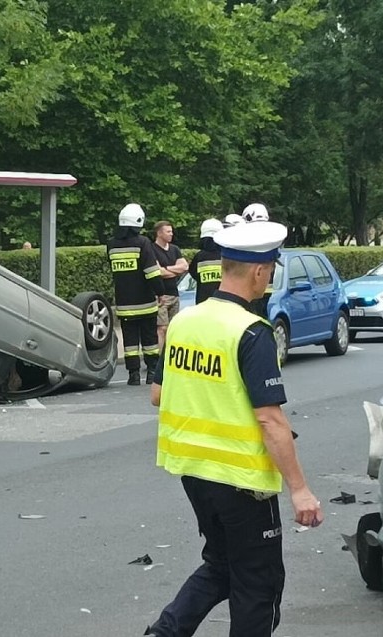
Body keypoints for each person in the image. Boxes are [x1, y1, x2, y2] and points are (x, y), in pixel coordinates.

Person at [146, 220, 323, 637]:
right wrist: (299, 489)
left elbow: (157, 395)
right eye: (272, 269)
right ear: (260, 272)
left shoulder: (185, 322)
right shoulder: (251, 331)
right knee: (258, 584)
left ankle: (164, 633)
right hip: (242, 480)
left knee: (223, 565)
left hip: (193, 470)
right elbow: (269, 418)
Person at [107, 203, 165, 385]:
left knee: (130, 340)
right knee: (150, 339)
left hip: (124, 303)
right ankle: (151, 372)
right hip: (145, 302)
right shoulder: (143, 243)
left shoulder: (112, 244)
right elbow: (152, 272)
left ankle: (133, 375)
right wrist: (160, 292)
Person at [153, 220, 188, 348]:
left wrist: (167, 268)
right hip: (161, 296)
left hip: (175, 294)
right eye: (168, 231)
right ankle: (160, 360)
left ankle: (170, 357)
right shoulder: (152, 249)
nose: (171, 234)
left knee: (173, 328)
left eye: (171, 231)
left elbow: (184, 267)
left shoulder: (175, 249)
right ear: (159, 233)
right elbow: (158, 272)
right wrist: (175, 270)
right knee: (162, 328)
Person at [188, 218, 223, 304]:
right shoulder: (226, 256)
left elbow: (193, 273)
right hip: (223, 302)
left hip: (203, 302)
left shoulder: (199, 257)